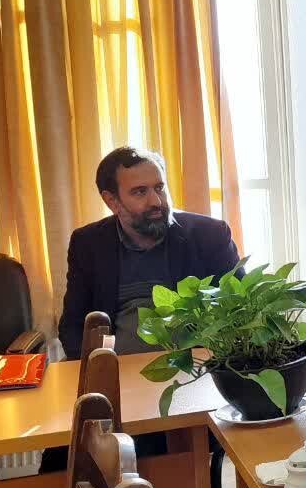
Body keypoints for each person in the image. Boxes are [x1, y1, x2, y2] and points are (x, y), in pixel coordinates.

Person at [58, 146, 241, 359]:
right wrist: (96, 369)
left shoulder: (209, 235)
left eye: (159, 188)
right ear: (112, 201)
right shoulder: (88, 243)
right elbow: (73, 326)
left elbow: (240, 308)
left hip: (197, 367)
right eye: (140, 192)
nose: (156, 201)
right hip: (117, 369)